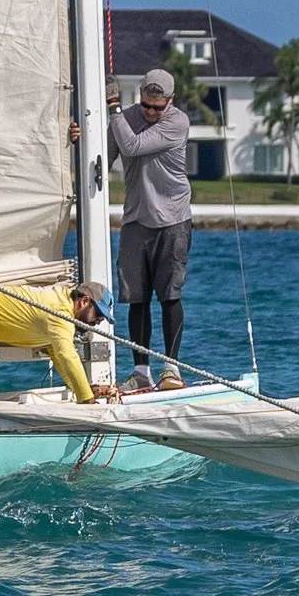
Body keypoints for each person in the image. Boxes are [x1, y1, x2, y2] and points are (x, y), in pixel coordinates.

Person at [106, 68, 192, 392]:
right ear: (140, 95)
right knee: (136, 298)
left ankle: (172, 369)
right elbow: (107, 154)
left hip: (173, 218)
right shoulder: (125, 118)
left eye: (158, 107)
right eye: (146, 106)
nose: (151, 112)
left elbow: (131, 146)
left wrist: (113, 107)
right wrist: (81, 139)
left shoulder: (177, 122)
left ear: (170, 101)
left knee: (169, 295)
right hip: (136, 219)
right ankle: (141, 371)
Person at [0, 280, 118, 404]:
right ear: (84, 301)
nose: (99, 321)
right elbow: (66, 355)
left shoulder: (64, 314)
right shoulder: (59, 313)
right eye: (99, 314)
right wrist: (86, 399)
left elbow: (57, 354)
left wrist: (83, 390)